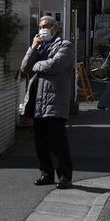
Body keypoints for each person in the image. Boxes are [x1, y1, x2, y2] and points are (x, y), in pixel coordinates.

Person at [21, 15, 75, 190]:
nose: (43, 29)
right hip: (38, 100)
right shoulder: (39, 47)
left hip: (55, 100)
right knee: (41, 142)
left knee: (58, 142)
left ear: (55, 28)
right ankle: (46, 173)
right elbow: (24, 67)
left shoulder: (65, 46)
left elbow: (54, 66)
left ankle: (65, 176)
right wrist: (33, 48)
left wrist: (37, 64)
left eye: (47, 26)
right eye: (41, 26)